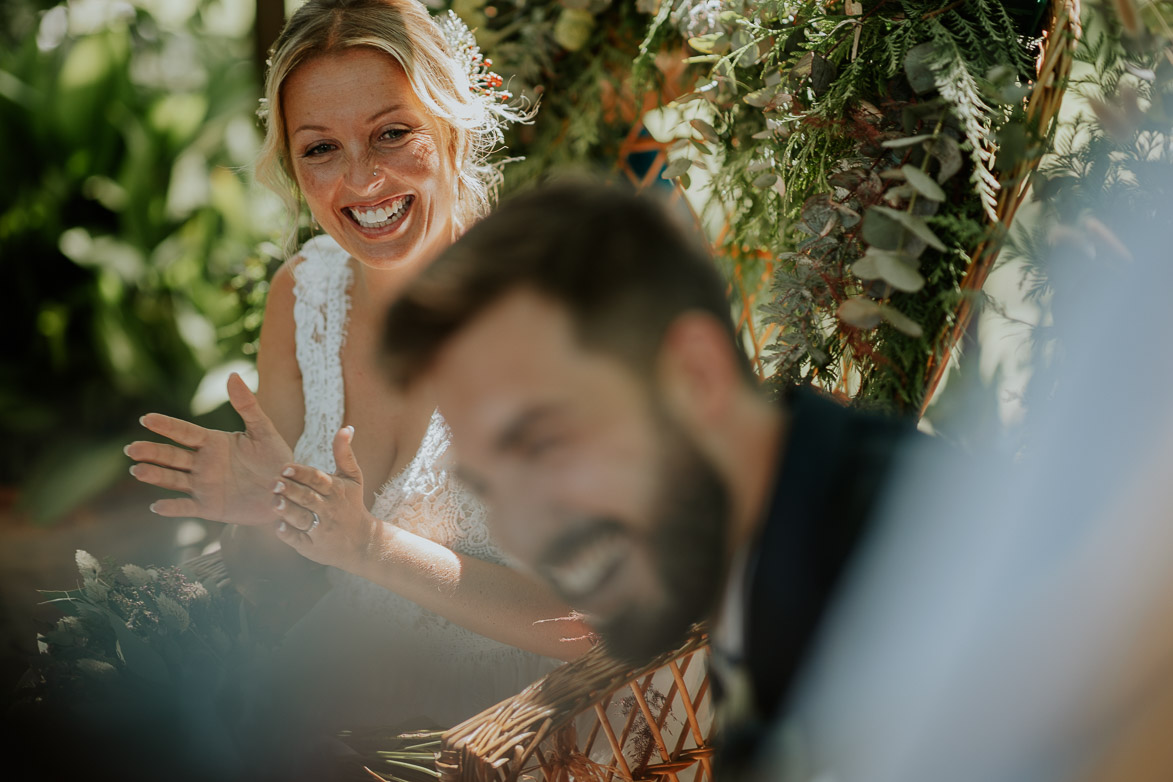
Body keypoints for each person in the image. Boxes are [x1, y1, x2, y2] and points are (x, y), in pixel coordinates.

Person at [124, 0, 589, 736]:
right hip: (327, 721)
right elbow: (280, 600)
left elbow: (595, 629)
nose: (363, 180)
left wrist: (374, 548)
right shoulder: (304, 295)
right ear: (291, 165)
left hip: (510, 740)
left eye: (392, 133)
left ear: (453, 126)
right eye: (320, 148)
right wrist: (264, 517)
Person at [378, 179, 919, 767]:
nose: (522, 537)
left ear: (695, 373)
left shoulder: (916, 573)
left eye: (540, 444)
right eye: (486, 489)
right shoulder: (753, 597)